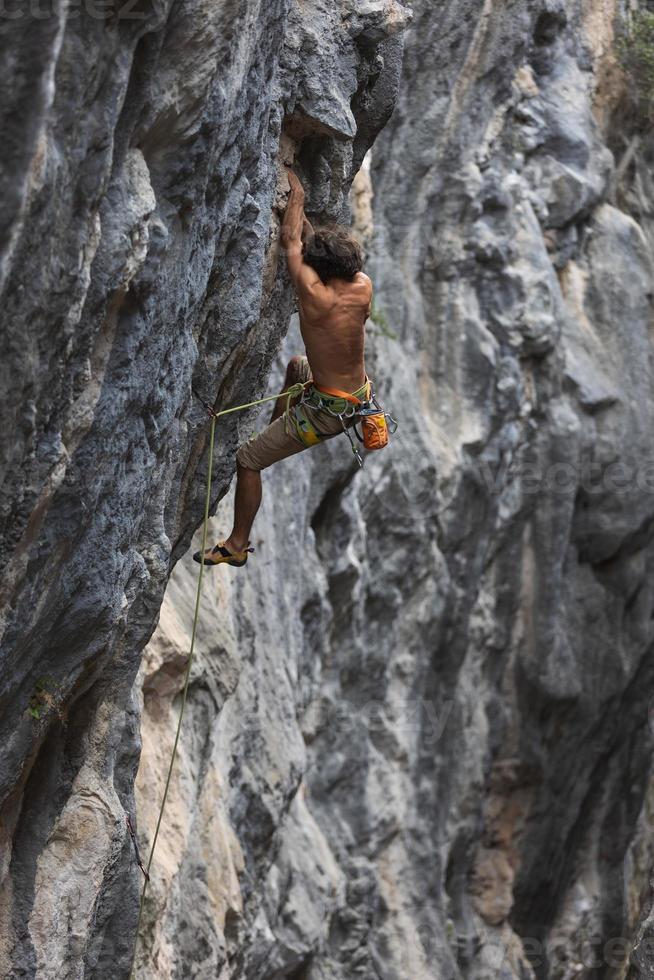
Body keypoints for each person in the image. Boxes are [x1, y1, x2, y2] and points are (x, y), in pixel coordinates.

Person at [194, 167, 373, 568]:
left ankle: (237, 545)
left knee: (248, 459)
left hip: (326, 414)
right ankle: (280, 433)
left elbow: (293, 239)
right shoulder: (361, 286)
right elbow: (311, 246)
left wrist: (296, 192)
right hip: (356, 397)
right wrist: (311, 230)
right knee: (297, 366)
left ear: (320, 272)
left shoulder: (314, 295)